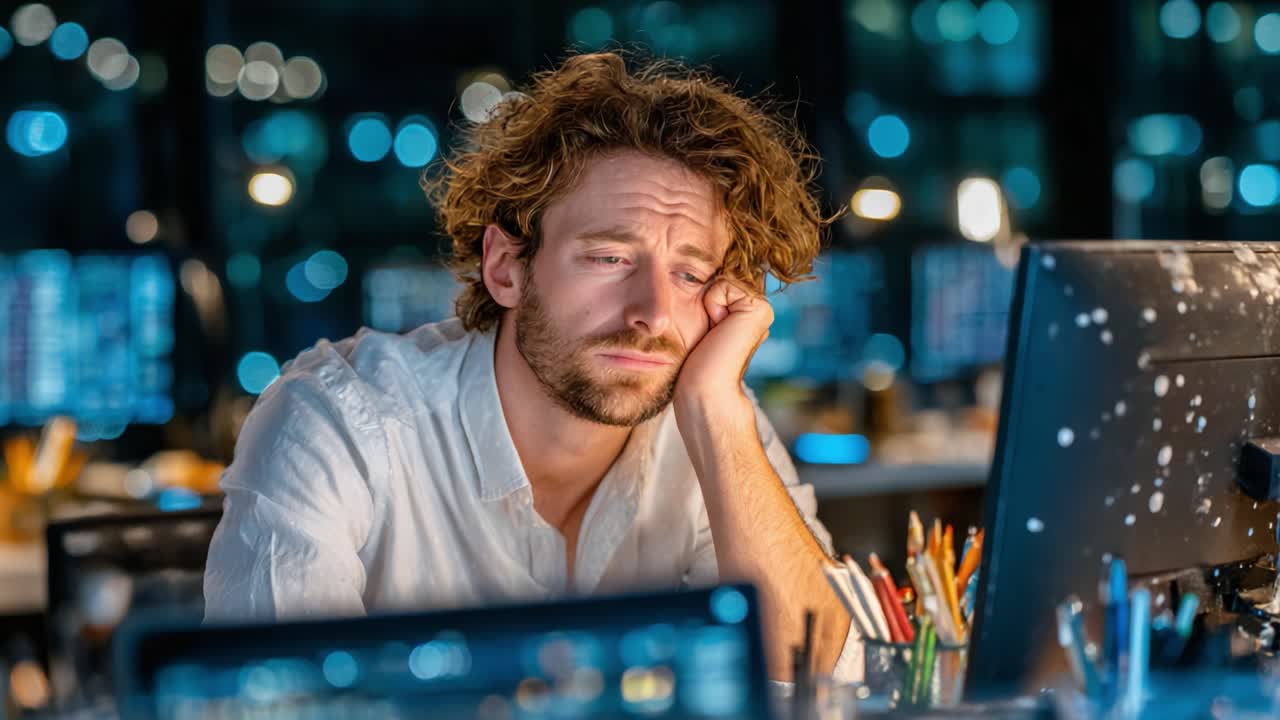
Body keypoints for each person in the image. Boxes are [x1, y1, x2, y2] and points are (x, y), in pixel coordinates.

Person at [203, 51, 857, 681]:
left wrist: (718, 410)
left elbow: (818, 669)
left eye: (690, 274)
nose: (653, 314)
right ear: (505, 268)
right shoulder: (337, 423)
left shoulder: (716, 424)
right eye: (608, 259)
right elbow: (274, 701)